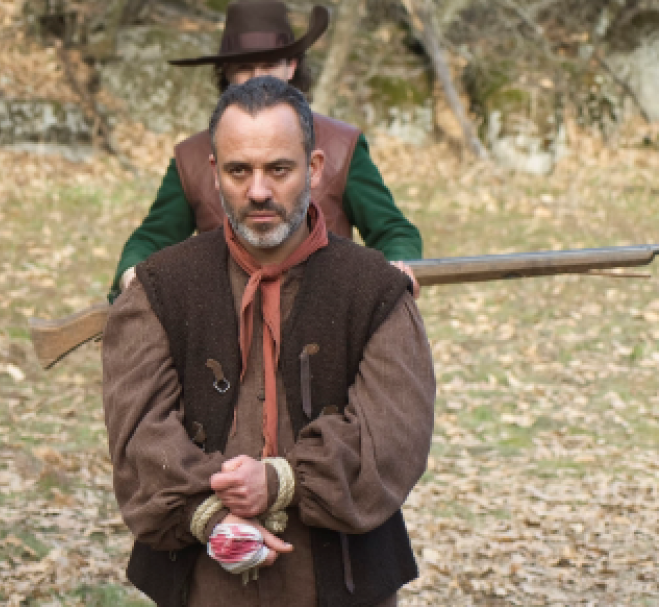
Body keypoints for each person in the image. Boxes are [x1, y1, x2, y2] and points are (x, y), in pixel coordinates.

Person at [101, 76, 436, 607]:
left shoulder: (375, 290)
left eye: (278, 169)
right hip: (201, 582)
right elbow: (139, 435)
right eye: (239, 170)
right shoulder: (161, 287)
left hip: (344, 583)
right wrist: (208, 511)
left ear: (315, 169)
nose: (258, 190)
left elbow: (392, 439)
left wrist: (281, 481)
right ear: (214, 174)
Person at [106, 0, 421, 303]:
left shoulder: (342, 145)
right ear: (226, 73)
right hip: (225, 332)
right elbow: (152, 238)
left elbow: (392, 231)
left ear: (291, 66)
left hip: (328, 320)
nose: (257, 78)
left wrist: (397, 266)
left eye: (269, 64)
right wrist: (132, 275)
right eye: (244, 67)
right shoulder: (191, 157)